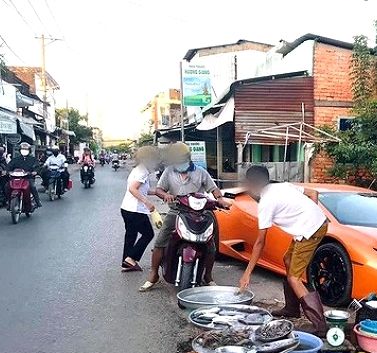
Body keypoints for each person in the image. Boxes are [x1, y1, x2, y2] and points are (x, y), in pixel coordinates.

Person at [238, 166, 328, 333]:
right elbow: (313, 193)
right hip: (312, 227)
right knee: (287, 259)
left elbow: (260, 242)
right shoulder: (282, 186)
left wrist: (247, 273)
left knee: (294, 277)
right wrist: (309, 217)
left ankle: (320, 325)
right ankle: (292, 309)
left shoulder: (265, 203)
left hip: (310, 230)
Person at [139, 142, 231, 291]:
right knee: (160, 241)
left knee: (211, 245)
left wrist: (220, 199)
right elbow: (159, 189)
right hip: (177, 211)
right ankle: (154, 273)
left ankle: (208, 276)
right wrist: (166, 195)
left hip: (200, 212)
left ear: (188, 158)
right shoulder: (169, 171)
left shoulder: (200, 172)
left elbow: (213, 188)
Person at [120, 147, 159, 272]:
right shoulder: (142, 171)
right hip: (135, 210)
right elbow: (133, 188)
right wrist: (147, 203)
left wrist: (157, 193)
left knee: (131, 235)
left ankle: (126, 262)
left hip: (127, 208)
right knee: (148, 234)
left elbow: (142, 189)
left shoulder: (139, 169)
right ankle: (131, 258)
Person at [6, 142, 42, 207]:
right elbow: (9, 166)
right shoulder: (15, 159)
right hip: (16, 178)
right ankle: (8, 201)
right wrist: (6, 171)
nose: (24, 151)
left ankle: (37, 201)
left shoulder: (33, 159)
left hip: (28, 178)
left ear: (29, 151)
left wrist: (35, 172)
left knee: (32, 187)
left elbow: (37, 167)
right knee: (7, 186)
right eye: (23, 149)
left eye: (26, 150)